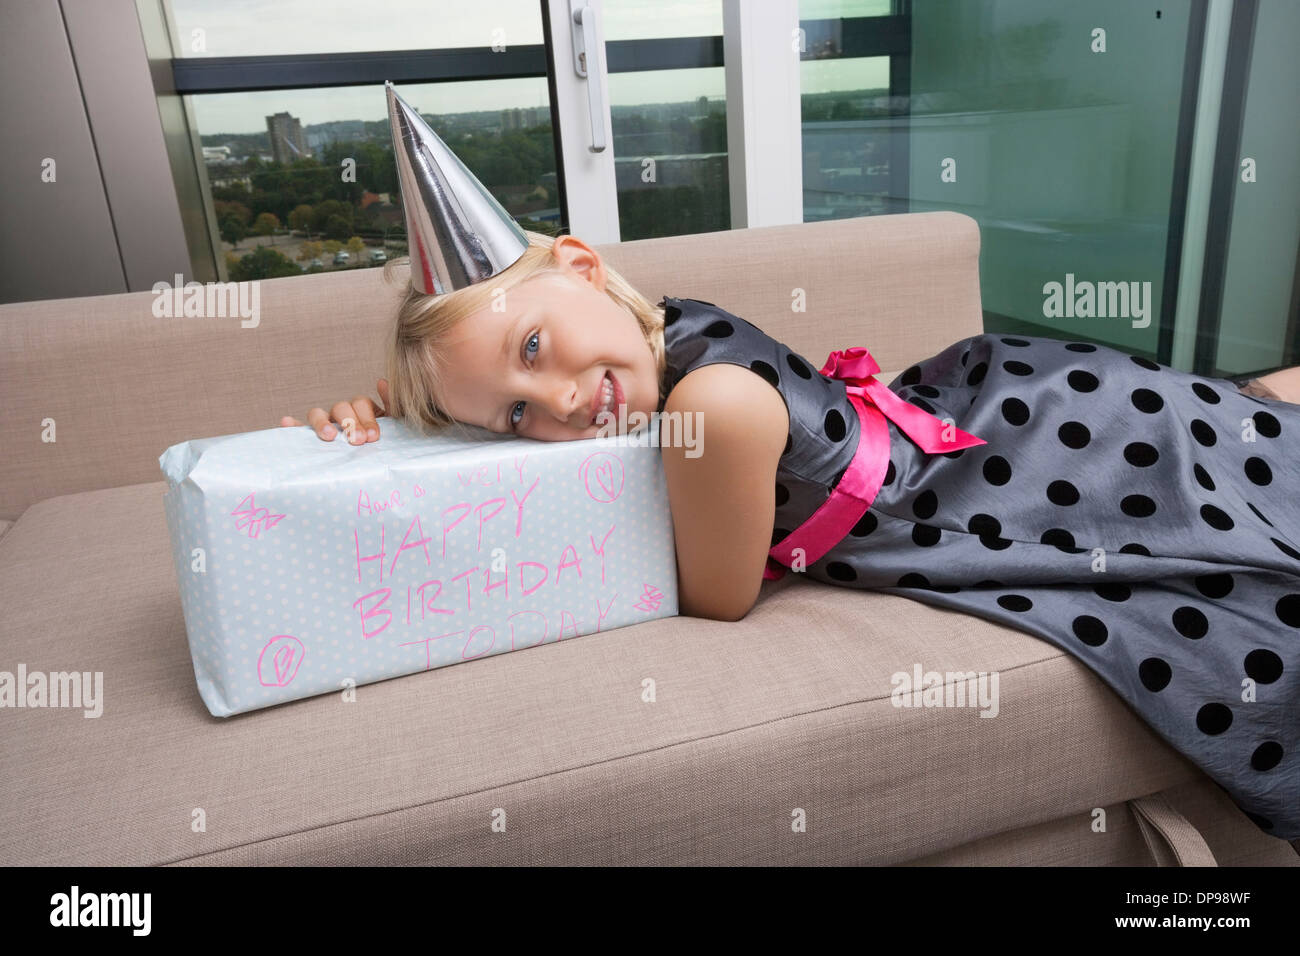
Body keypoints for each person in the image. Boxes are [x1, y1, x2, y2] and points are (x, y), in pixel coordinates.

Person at [281, 83, 1299, 841]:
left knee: (1223, 521)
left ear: (585, 267)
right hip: (1002, 398)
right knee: (1232, 423)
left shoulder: (710, 406)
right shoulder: (654, 327)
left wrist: (466, 429)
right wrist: (399, 426)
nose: (553, 403)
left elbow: (715, 595)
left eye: (534, 350)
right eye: (510, 416)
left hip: (1001, 466)